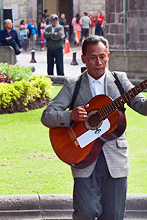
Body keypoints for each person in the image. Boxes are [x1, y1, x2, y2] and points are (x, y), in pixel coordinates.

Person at [41, 35, 147, 219]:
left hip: (115, 158)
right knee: (86, 213)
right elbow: (47, 116)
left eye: (102, 57)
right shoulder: (73, 84)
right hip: (82, 155)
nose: (98, 62)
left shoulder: (119, 80)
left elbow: (141, 105)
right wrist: (71, 115)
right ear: (83, 58)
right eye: (92, 57)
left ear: (108, 56)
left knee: (114, 215)